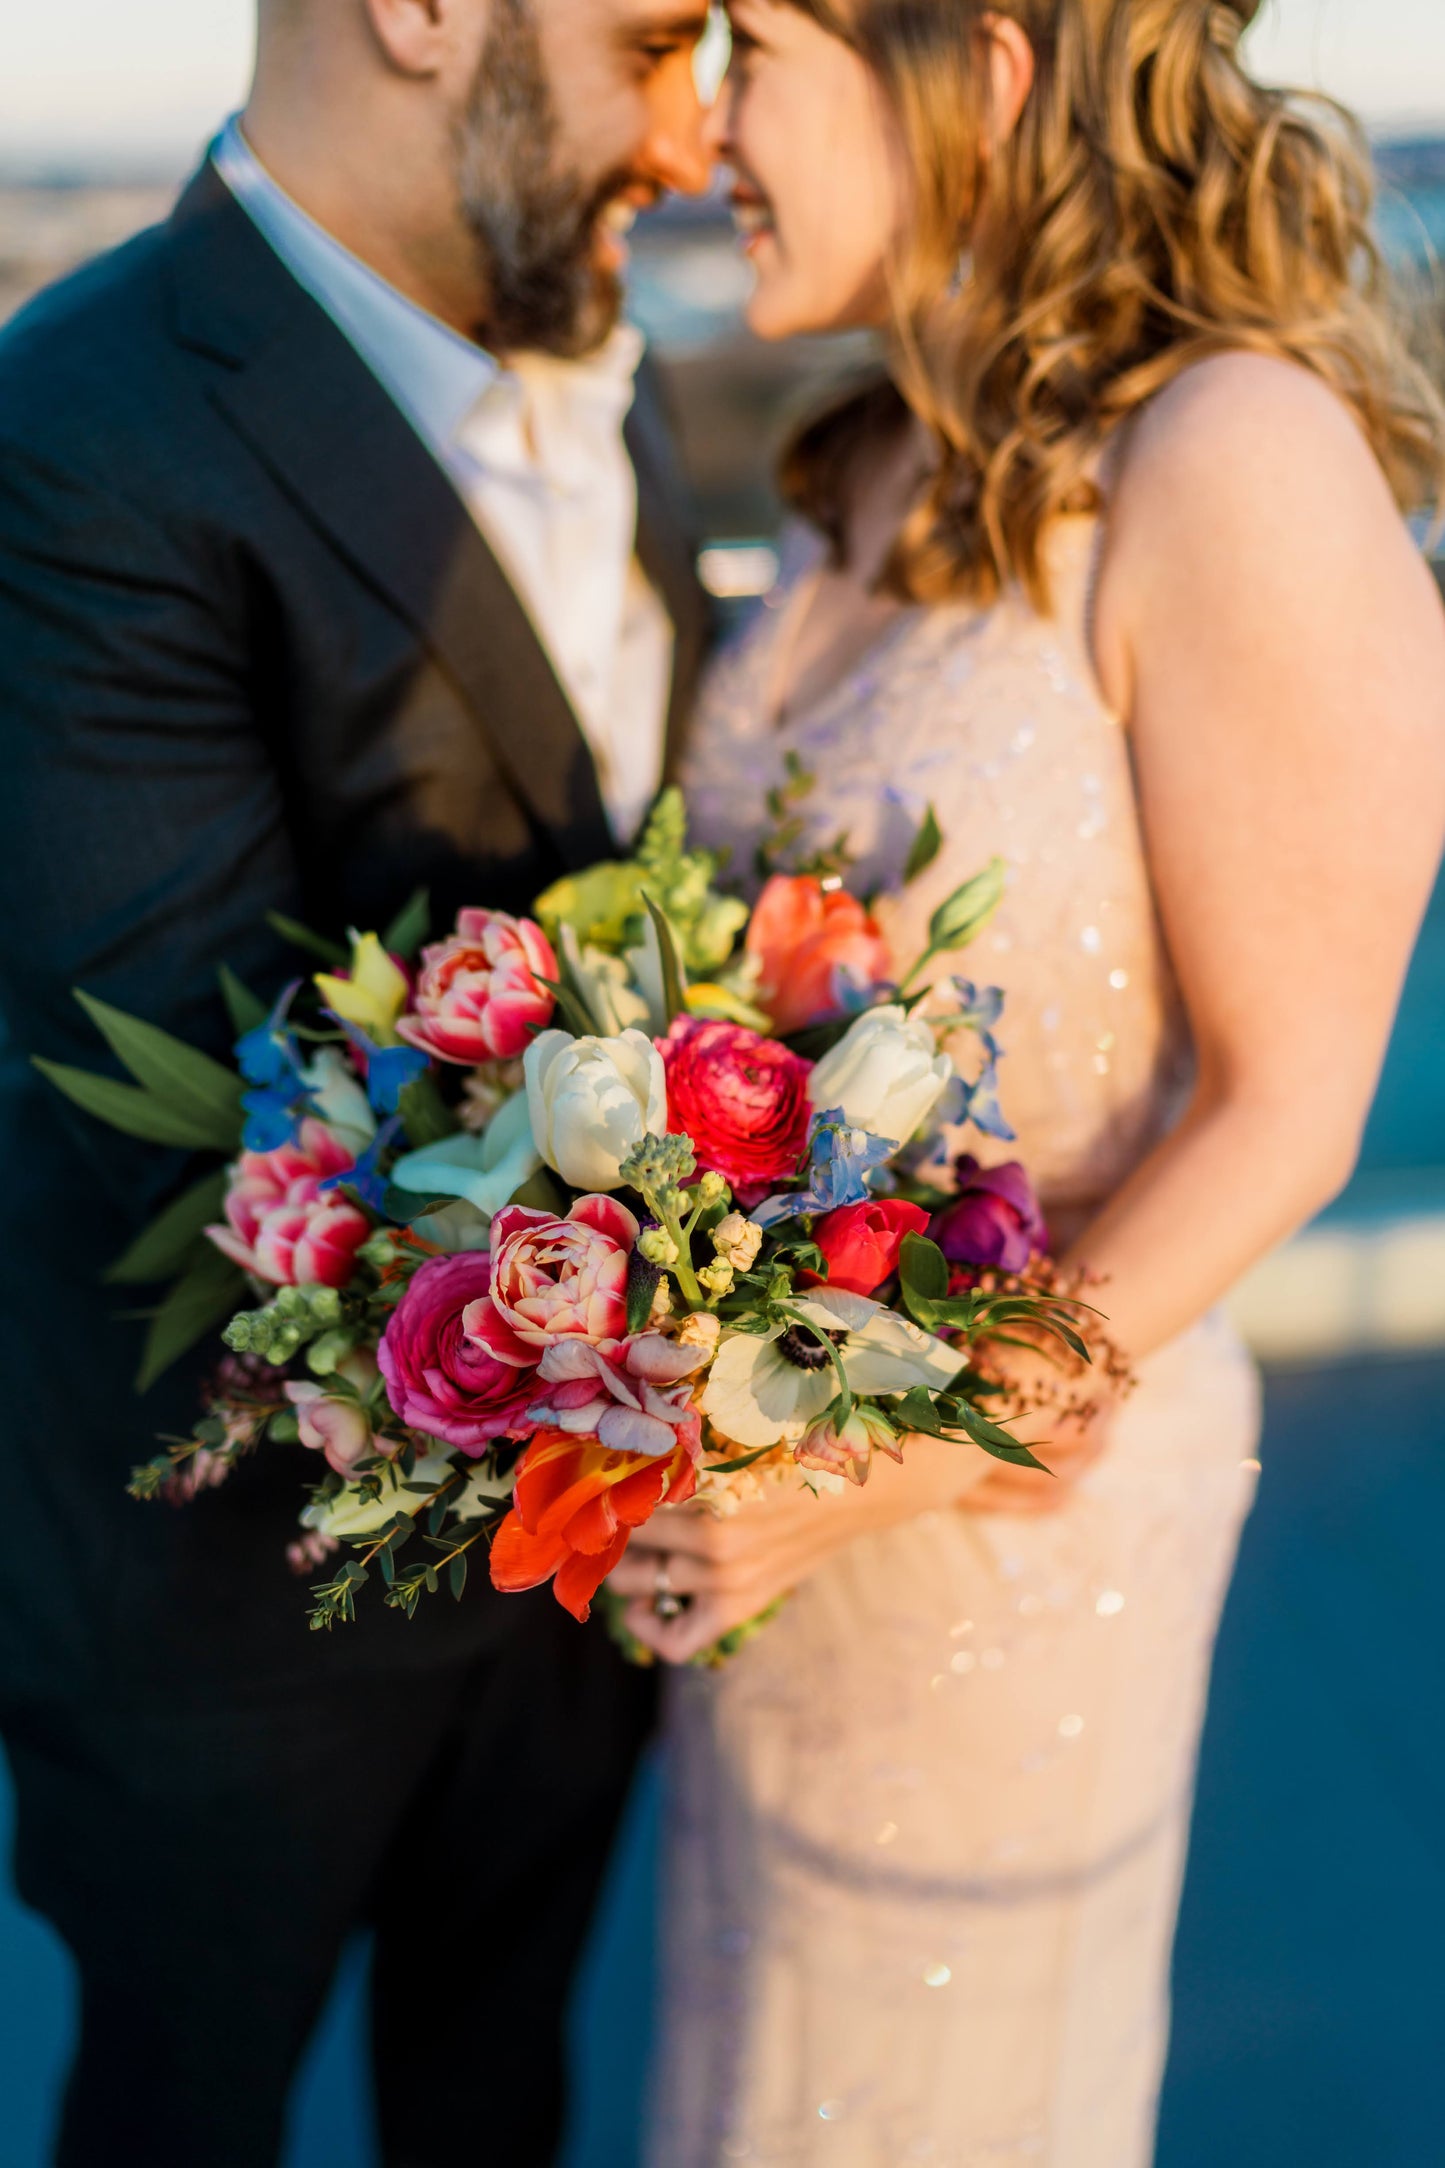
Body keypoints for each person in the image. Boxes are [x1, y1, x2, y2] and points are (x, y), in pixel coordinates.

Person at [609, 1, 1445, 2160]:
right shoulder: (874, 453)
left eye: (753, 48)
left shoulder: (1235, 454)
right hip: (781, 1554)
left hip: (1010, 1533)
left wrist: (881, 1461)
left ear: (973, 70)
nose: (703, 128)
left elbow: (1292, 1106)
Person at [0, 1, 711, 2161]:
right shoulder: (87, 422)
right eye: (657, 42)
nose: (689, 138)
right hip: (231, 1620)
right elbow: (224, 1083)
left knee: (500, 2095)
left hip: (577, 1571)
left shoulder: (619, 379)